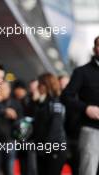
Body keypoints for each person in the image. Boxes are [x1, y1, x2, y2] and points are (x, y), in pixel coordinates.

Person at [61, 36, 99, 175]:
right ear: (94, 49)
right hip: (91, 130)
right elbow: (66, 96)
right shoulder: (82, 72)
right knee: (88, 171)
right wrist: (86, 108)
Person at [33, 73, 67, 175]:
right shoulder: (42, 103)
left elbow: (55, 128)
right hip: (43, 149)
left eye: (40, 84)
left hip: (54, 149)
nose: (38, 87)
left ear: (46, 85)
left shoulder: (55, 103)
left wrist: (45, 148)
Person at [0, 81, 23, 175]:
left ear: (9, 90)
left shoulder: (15, 103)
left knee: (9, 169)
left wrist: (14, 117)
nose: (2, 91)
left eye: (5, 88)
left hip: (10, 141)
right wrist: (4, 111)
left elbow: (20, 124)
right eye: (0, 88)